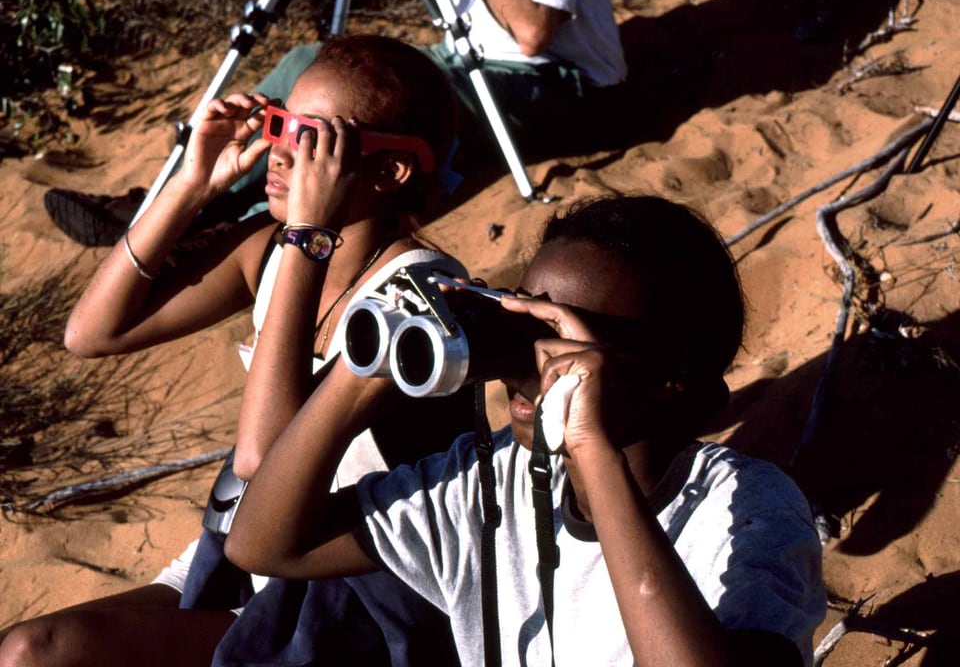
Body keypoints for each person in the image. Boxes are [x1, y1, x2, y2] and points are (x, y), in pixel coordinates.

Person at [0, 34, 468, 667]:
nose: (277, 149)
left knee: (39, 652)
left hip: (352, 595)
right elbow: (90, 333)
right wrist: (192, 182)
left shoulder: (426, 297)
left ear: (390, 170)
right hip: (244, 555)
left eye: (312, 140)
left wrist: (309, 236)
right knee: (21, 649)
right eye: (279, 123)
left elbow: (261, 457)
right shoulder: (272, 249)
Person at [225, 194, 828, 666]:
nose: (529, 353)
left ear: (668, 377)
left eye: (559, 329)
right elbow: (265, 545)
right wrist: (362, 374)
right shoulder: (490, 482)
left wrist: (591, 449)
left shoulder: (747, 508)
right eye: (520, 312)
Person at [44, 0, 628, 246]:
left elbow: (531, 31)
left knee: (344, 101)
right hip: (468, 64)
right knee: (316, 67)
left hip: (563, 83)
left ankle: (223, 225)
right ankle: (193, 204)